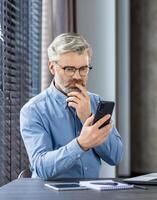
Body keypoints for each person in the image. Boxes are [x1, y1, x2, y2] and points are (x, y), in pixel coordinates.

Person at [20, 33, 123, 180]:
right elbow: (41, 167)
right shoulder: (33, 110)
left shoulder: (96, 102)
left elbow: (116, 157)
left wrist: (88, 117)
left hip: (90, 194)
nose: (77, 76)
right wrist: (81, 144)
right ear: (52, 67)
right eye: (69, 69)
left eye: (83, 69)